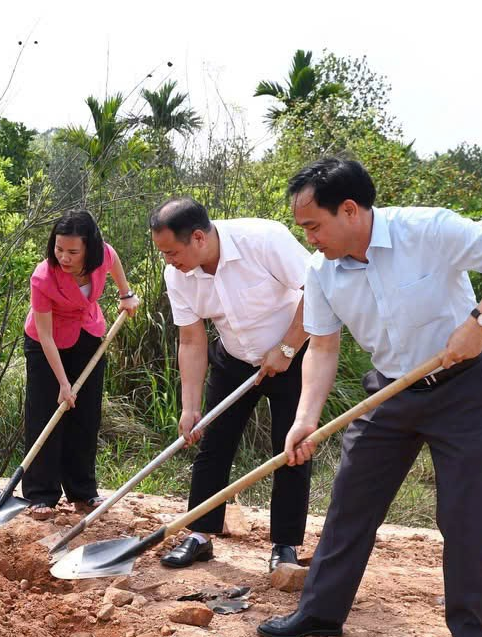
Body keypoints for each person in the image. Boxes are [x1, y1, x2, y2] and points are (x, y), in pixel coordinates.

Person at [257, 157, 482, 637]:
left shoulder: (427, 229)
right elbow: (322, 347)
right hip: (389, 391)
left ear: (349, 210)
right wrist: (305, 418)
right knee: (351, 500)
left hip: (464, 387)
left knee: (464, 512)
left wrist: (480, 321)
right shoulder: (322, 270)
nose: (311, 238)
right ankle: (320, 613)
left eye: (314, 226)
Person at [149, 197, 312, 572]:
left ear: (199, 238)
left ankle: (284, 545)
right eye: (163, 253)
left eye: (172, 252)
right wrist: (190, 409)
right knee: (213, 442)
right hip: (234, 357)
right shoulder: (178, 274)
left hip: (293, 352)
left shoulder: (265, 240)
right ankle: (200, 534)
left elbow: (317, 289)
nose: (168, 261)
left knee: (290, 448)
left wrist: (287, 347)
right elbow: (191, 340)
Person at [22, 210, 140, 519]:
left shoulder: (103, 256)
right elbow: (45, 336)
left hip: (88, 333)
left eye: (73, 251)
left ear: (89, 248)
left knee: (86, 416)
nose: (64, 256)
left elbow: (114, 263)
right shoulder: (43, 277)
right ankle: (41, 494)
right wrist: (62, 383)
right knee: (45, 414)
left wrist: (126, 294)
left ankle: (83, 491)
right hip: (47, 344)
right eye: (59, 248)